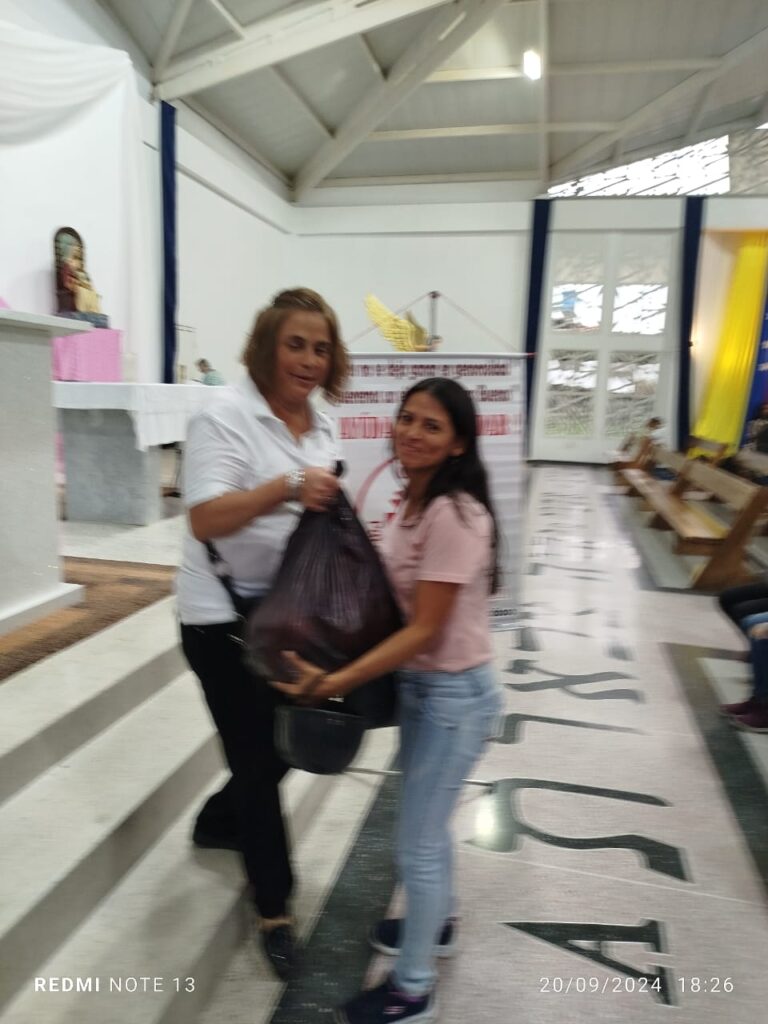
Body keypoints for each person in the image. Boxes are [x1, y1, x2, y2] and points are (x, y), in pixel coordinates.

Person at [274, 377, 503, 1024]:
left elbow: (424, 629)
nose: (412, 433)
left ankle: (413, 989)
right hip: (429, 692)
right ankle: (440, 922)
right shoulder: (415, 502)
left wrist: (334, 682)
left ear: (458, 443)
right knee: (428, 827)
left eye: (432, 425)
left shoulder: (456, 514)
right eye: (407, 419)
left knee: (416, 845)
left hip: (453, 699)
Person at [176, 288, 349, 978]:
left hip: (286, 612)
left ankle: (219, 820)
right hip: (218, 616)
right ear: (267, 346)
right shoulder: (223, 415)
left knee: (279, 744)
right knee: (255, 758)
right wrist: (287, 486)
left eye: (321, 348)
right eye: (295, 344)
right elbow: (205, 518)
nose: (309, 360)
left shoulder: (324, 423)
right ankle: (274, 908)